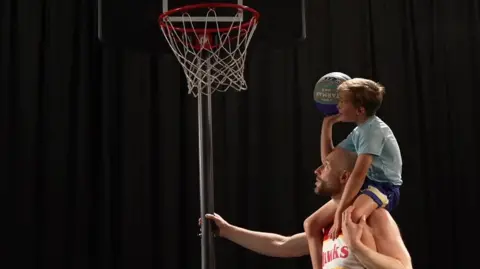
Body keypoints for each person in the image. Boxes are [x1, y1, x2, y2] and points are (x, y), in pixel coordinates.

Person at [201, 148, 412, 269]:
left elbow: (403, 267)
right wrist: (227, 230)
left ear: (345, 177)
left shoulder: (375, 217)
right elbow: (281, 244)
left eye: (326, 166)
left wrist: (358, 248)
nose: (317, 170)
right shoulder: (327, 226)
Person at [304, 78, 403, 269]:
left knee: (351, 218)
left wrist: (339, 212)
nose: (337, 105)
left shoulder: (372, 131)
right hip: (367, 184)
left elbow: (357, 175)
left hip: (383, 187)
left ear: (360, 110)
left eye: (342, 102)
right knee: (311, 225)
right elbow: (330, 161)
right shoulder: (360, 130)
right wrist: (327, 125)